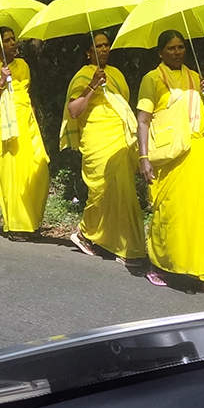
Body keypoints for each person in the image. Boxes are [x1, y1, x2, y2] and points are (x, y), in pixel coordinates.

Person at [136, 30, 204, 294]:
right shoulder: (152, 79)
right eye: (171, 48)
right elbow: (143, 120)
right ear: (160, 52)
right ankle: (161, 266)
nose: (177, 52)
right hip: (171, 155)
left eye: (181, 47)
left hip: (201, 150)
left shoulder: (196, 78)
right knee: (172, 211)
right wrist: (144, 157)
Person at [63, 32, 145, 262]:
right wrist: (92, 86)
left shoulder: (116, 74)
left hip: (118, 137)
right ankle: (86, 232)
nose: (104, 49)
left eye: (106, 45)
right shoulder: (82, 76)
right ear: (88, 52)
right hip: (97, 138)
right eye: (98, 46)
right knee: (101, 190)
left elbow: (122, 103)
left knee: (123, 190)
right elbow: (74, 111)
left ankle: (119, 243)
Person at [0, 26, 50, 237]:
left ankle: (32, 221)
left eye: (13, 39)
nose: (13, 43)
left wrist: (33, 123)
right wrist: (1, 81)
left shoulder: (22, 66)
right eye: (7, 40)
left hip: (26, 125)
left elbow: (25, 97)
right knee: (13, 177)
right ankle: (17, 226)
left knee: (38, 171)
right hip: (4, 130)